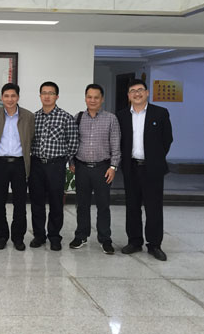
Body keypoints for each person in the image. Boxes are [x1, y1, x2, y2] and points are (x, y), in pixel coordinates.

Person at [117, 78, 173, 261]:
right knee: (132, 206)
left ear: (147, 93)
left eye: (140, 90)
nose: (137, 93)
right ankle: (134, 241)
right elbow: (120, 142)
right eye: (133, 91)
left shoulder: (160, 113)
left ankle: (154, 245)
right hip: (131, 167)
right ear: (128, 96)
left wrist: (155, 158)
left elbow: (167, 140)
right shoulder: (122, 116)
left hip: (152, 169)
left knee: (153, 207)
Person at [69, 84, 120, 254]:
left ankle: (105, 239)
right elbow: (72, 142)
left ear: (102, 99)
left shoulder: (111, 119)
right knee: (82, 205)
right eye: (89, 97)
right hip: (81, 168)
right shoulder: (78, 118)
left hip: (102, 168)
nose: (92, 100)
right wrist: (71, 162)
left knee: (103, 205)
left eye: (96, 97)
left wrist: (113, 167)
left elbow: (115, 146)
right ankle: (81, 235)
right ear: (85, 98)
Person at [29, 81, 78, 251]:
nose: (47, 96)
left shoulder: (66, 117)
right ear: (40, 95)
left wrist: (70, 162)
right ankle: (39, 235)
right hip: (36, 164)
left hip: (56, 165)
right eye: (44, 93)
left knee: (56, 202)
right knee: (36, 202)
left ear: (57, 96)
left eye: (51, 93)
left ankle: (54, 236)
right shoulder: (33, 118)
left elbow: (73, 143)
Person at [0, 83, 34, 251]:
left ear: (18, 97)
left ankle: (18, 237)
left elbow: (30, 139)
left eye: (13, 96)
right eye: (6, 96)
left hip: (20, 163)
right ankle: (1, 236)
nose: (10, 99)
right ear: (1, 98)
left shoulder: (28, 116)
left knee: (20, 203)